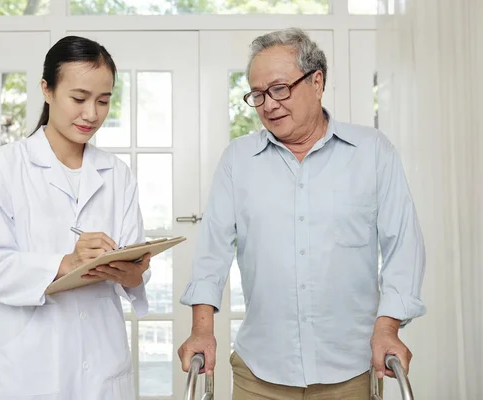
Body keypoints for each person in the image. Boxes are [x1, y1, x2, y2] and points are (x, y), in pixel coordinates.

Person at [177, 28, 426, 399]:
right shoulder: (238, 160)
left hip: (351, 369)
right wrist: (202, 329)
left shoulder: (373, 152)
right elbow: (212, 251)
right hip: (260, 370)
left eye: (279, 89)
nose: (269, 104)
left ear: (317, 81)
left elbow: (403, 247)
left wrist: (388, 327)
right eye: (258, 95)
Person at [0, 36, 150, 400]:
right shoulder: (4, 168)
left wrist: (134, 272)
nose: (92, 114)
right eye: (79, 99)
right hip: (29, 369)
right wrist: (67, 263)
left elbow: (134, 263)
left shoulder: (116, 174)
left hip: (101, 364)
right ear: (47, 90)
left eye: (103, 101)